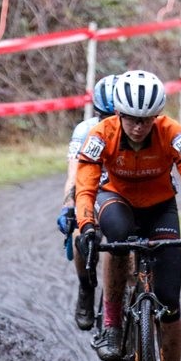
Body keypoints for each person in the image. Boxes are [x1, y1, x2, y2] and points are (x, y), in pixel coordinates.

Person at [73, 70, 181, 361]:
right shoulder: (102, 135)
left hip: (160, 206)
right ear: (119, 114)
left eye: (146, 120)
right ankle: (114, 325)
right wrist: (86, 225)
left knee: (170, 304)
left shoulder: (171, 132)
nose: (138, 126)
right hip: (115, 200)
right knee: (116, 238)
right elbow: (85, 184)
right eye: (132, 119)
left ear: (156, 117)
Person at [56, 74, 118, 330]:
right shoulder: (85, 131)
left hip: (127, 192)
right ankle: (86, 286)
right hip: (94, 191)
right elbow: (74, 176)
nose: (112, 125)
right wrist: (68, 207)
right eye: (105, 118)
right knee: (81, 234)